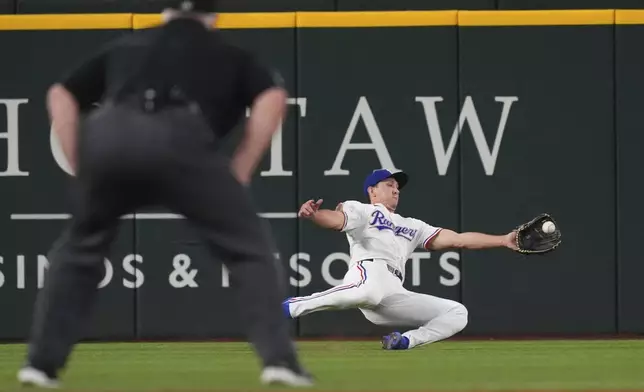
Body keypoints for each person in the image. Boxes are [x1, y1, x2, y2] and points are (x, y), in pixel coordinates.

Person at [17, 0, 313, 388]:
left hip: (110, 134)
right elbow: (273, 99)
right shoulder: (228, 52)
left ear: (165, 12)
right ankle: (279, 361)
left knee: (79, 249)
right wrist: (240, 168)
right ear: (214, 18)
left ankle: (39, 365)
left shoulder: (127, 45)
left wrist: (78, 160)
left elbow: (60, 94)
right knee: (248, 251)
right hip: (179, 136)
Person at [284, 168, 519, 350]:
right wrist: (315, 215)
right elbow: (336, 219)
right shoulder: (364, 210)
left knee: (457, 313)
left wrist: (503, 240)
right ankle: (291, 306)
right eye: (389, 185)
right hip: (368, 271)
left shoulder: (413, 225)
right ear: (372, 191)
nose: (396, 190)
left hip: (393, 291)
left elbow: (458, 239)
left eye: (397, 187)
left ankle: (404, 342)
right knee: (368, 292)